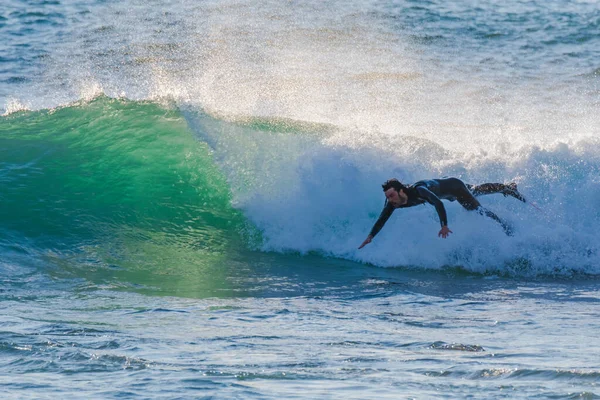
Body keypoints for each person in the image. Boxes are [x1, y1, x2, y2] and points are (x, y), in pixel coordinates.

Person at [358, 177, 527, 249]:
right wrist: (370, 236)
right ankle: (507, 187)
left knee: (476, 208)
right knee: (476, 189)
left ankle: (504, 224)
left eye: (392, 195)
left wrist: (444, 225)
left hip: (454, 188)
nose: (390, 200)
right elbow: (383, 218)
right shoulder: (394, 203)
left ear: (401, 190)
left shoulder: (419, 191)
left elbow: (437, 203)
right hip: (446, 188)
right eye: (387, 197)